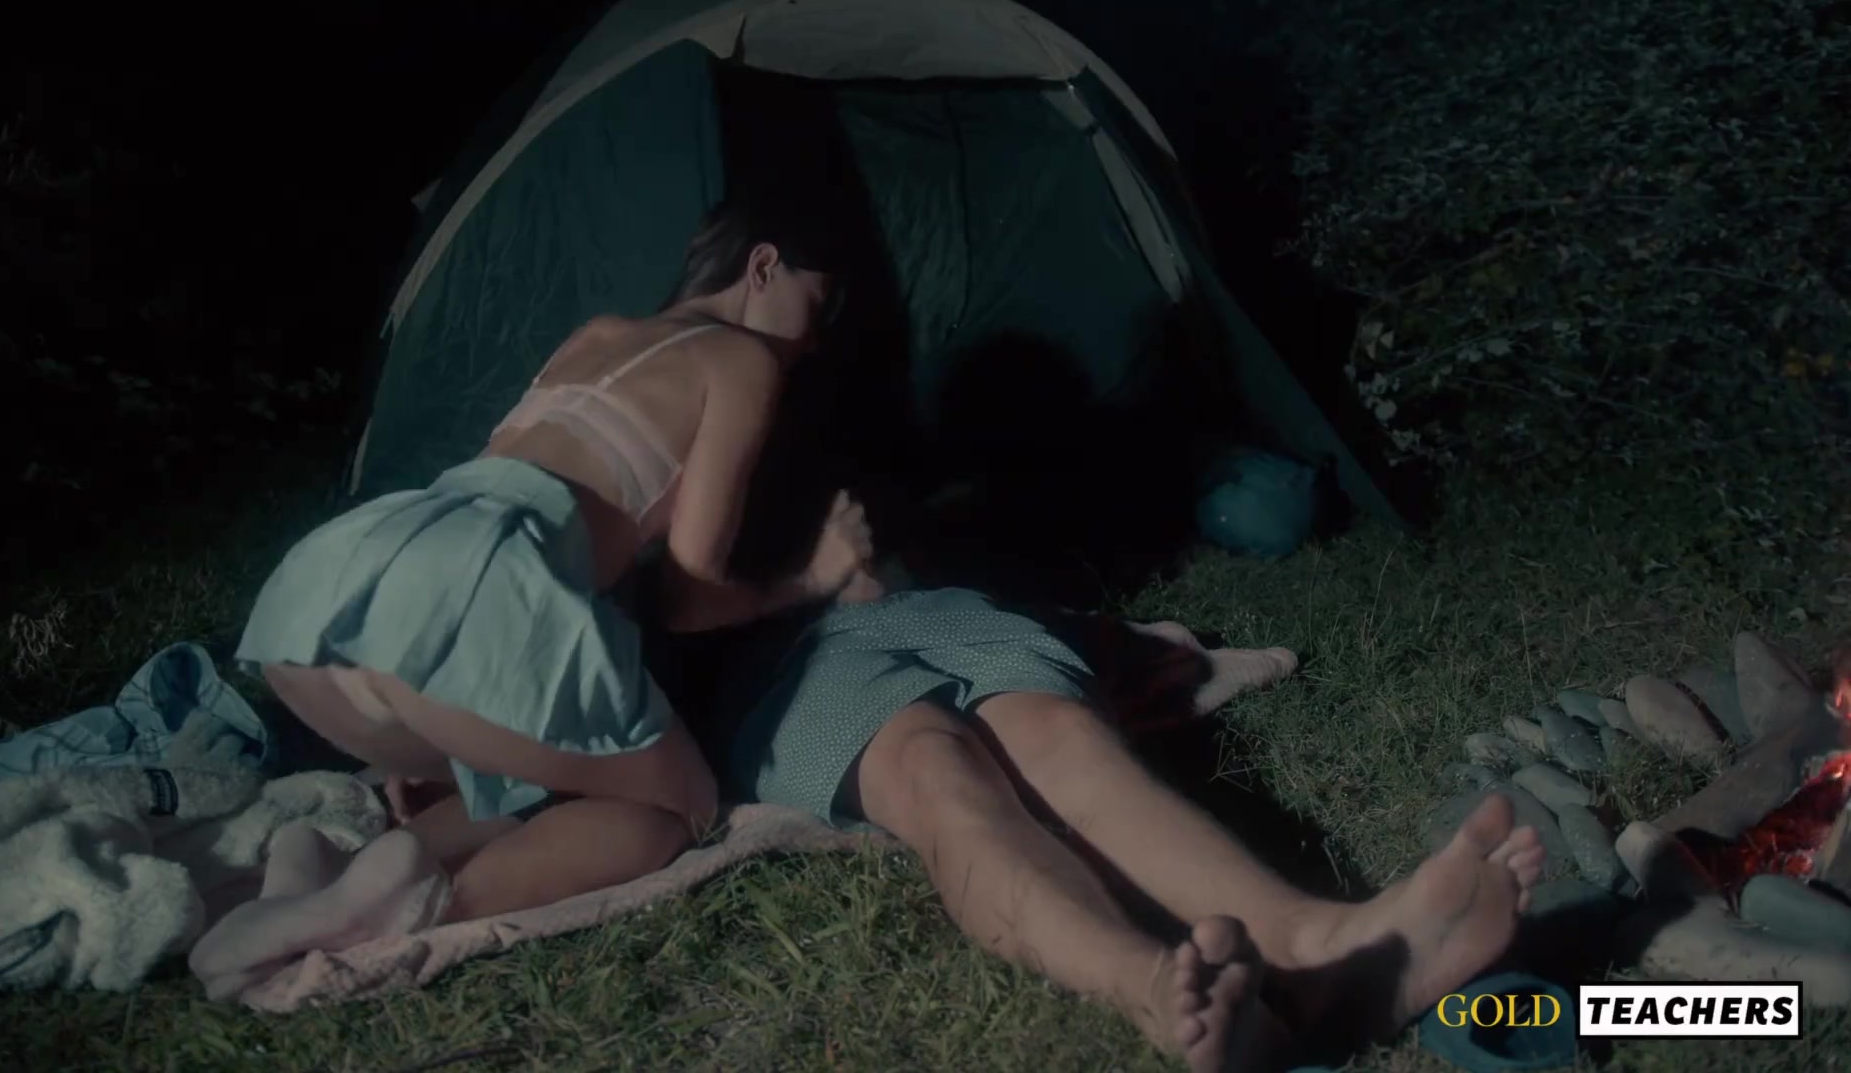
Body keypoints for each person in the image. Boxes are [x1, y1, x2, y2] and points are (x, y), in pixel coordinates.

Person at [226, 198, 871, 935]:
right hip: (468, 592)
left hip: (333, 588)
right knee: (683, 806)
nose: (814, 341)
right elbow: (689, 599)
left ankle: (315, 873)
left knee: (556, 781)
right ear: (763, 266)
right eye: (818, 305)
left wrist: (423, 693)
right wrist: (816, 575)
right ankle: (383, 919)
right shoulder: (741, 360)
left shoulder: (598, 334)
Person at [658, 573, 1547, 1072]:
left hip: (924, 608)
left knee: (1067, 741)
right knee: (934, 770)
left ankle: (1322, 951)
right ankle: (1154, 990)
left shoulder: (820, 393)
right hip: (772, 671)